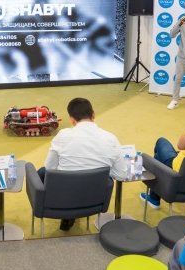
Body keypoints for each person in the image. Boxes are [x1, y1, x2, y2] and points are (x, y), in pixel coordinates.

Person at [43, 97, 127, 230]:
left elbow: (49, 168)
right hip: (95, 199)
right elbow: (122, 175)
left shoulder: (63, 135)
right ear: (93, 115)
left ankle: (67, 214)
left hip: (63, 196)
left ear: (72, 120)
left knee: (42, 172)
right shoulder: (111, 138)